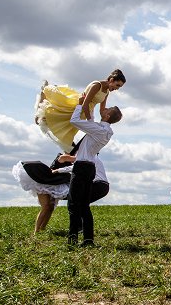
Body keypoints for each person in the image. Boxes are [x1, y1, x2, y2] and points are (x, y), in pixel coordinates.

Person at [66, 95, 122, 247]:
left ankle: (72, 240)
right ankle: (88, 239)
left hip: (81, 167)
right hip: (90, 168)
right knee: (84, 205)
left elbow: (74, 121)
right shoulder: (104, 130)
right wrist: (104, 96)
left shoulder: (97, 129)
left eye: (107, 109)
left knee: (73, 204)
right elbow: (92, 116)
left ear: (108, 115)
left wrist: (79, 105)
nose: (104, 109)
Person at [12, 154, 111, 234]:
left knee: (76, 205)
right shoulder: (86, 158)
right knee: (50, 207)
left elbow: (76, 164)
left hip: (97, 185)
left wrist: (60, 167)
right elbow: (72, 162)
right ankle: (39, 230)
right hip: (100, 185)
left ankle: (80, 228)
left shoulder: (89, 157)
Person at [35, 69, 126, 152]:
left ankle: (44, 118)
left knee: (66, 128)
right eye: (117, 85)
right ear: (111, 80)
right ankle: (43, 100)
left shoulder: (106, 92)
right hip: (79, 106)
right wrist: (90, 122)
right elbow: (85, 104)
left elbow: (101, 110)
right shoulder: (97, 85)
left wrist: (109, 116)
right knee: (59, 117)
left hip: (86, 112)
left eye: (119, 87)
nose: (117, 89)